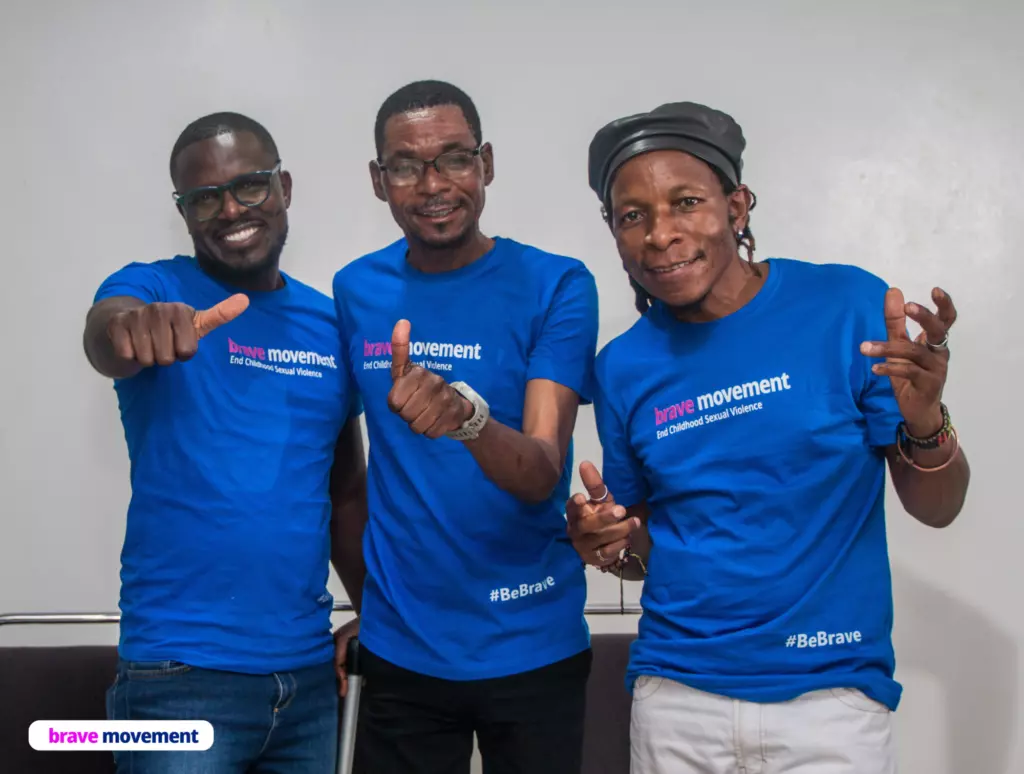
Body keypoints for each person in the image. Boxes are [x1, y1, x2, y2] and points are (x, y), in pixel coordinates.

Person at [566, 101, 970, 774]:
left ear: (737, 206)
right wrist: (608, 544)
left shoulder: (844, 307)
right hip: (678, 699)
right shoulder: (623, 367)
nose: (660, 234)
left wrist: (926, 421)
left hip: (830, 699)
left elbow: (939, 507)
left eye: (686, 203)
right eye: (632, 216)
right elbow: (645, 549)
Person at [83, 111, 367, 774]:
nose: (231, 209)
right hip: (177, 678)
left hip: (308, 681)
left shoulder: (328, 325)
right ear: (183, 211)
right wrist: (133, 329)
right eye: (205, 197)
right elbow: (106, 333)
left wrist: (375, 612)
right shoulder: (154, 289)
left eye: (250, 186)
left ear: (284, 187)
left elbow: (345, 491)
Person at [330, 80, 600, 774]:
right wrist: (367, 604)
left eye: (454, 158)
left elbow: (541, 472)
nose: (432, 185)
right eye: (405, 166)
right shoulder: (355, 290)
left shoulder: (556, 284)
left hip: (531, 641)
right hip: (401, 652)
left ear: (486, 163)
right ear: (378, 180)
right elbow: (341, 469)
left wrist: (468, 419)